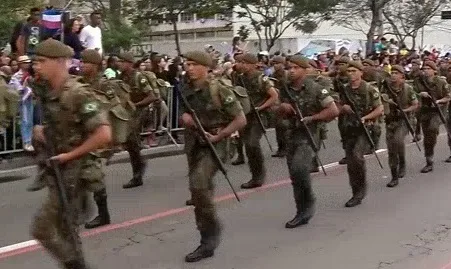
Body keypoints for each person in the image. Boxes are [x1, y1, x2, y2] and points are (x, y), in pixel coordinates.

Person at [30, 38, 112, 269]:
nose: (36, 66)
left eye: (42, 61)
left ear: (59, 62)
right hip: (59, 171)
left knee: (44, 228)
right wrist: (43, 132)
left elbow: (104, 134)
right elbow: (64, 126)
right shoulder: (50, 91)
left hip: (76, 172)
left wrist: (71, 155)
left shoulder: (78, 93)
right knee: (67, 232)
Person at [180, 51, 246, 262]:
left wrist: (222, 134)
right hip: (195, 141)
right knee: (199, 190)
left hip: (218, 141)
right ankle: (206, 227)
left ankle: (209, 237)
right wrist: (186, 118)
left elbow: (240, 119)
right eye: (186, 64)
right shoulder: (186, 88)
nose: (188, 68)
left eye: (192, 64)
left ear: (205, 67)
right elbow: (183, 112)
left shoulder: (220, 89)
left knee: (199, 183)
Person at [277, 55, 338, 228]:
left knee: (299, 169)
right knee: (295, 175)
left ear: (305, 70)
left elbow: (332, 111)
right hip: (290, 134)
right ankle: (301, 209)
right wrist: (282, 108)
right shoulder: (285, 89)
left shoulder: (317, 89)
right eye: (289, 68)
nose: (291, 71)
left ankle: (306, 207)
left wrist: (313, 118)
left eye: (296, 68)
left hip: (309, 134)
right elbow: (277, 109)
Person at [338, 61, 384, 207]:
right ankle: (355, 190)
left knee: (357, 157)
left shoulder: (370, 89)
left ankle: (360, 191)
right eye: (349, 71)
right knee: (351, 162)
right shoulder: (344, 89)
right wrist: (343, 107)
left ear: (360, 72)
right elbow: (337, 106)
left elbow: (379, 109)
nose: (351, 73)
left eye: (354, 71)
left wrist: (365, 118)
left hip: (366, 127)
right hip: (349, 128)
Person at [380, 65, 418, 187]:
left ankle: (402, 162)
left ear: (402, 76)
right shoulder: (386, 88)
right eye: (392, 73)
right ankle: (394, 175)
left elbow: (415, 104)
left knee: (397, 140)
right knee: (391, 148)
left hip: (405, 120)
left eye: (397, 73)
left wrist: (405, 110)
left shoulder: (408, 89)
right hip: (390, 121)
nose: (393, 75)